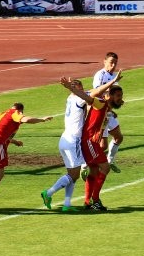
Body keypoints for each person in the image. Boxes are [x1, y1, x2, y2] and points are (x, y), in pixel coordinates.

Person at [40, 72, 122, 212]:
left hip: (69, 138)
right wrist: (113, 81)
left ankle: (73, 204)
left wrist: (112, 109)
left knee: (86, 172)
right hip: (79, 140)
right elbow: (91, 95)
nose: (84, 91)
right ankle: (51, 193)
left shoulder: (73, 99)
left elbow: (91, 100)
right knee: (101, 168)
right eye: (118, 96)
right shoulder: (93, 101)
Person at [0, 103, 53, 213]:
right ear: (20, 111)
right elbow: (26, 120)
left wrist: (14, 141)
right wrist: (42, 119)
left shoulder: (2, 114)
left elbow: (0, 130)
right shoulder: (15, 113)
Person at [66, 81, 125, 211]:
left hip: (91, 141)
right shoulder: (100, 103)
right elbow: (87, 98)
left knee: (94, 170)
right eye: (118, 96)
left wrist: (112, 112)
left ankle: (87, 202)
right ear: (110, 95)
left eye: (121, 96)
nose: (120, 99)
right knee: (105, 167)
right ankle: (95, 200)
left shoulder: (106, 107)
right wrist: (71, 88)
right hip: (89, 141)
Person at [91, 52, 123, 174]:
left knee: (119, 137)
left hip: (109, 112)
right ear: (104, 62)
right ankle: (85, 165)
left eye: (115, 63)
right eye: (111, 62)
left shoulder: (115, 76)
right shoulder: (100, 75)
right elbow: (97, 93)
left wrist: (118, 102)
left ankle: (110, 161)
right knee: (102, 145)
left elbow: (113, 96)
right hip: (101, 113)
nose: (113, 65)